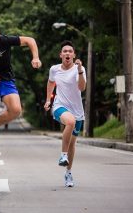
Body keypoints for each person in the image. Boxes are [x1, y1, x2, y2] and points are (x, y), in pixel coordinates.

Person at [44, 40, 86, 187]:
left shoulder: (79, 69)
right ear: (60, 54)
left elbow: (81, 87)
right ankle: (63, 155)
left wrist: (80, 70)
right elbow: (50, 83)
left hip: (77, 110)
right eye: (65, 51)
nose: (67, 53)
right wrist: (48, 100)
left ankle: (68, 173)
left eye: (70, 51)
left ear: (73, 55)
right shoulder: (54, 69)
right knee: (70, 121)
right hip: (59, 106)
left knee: (72, 144)